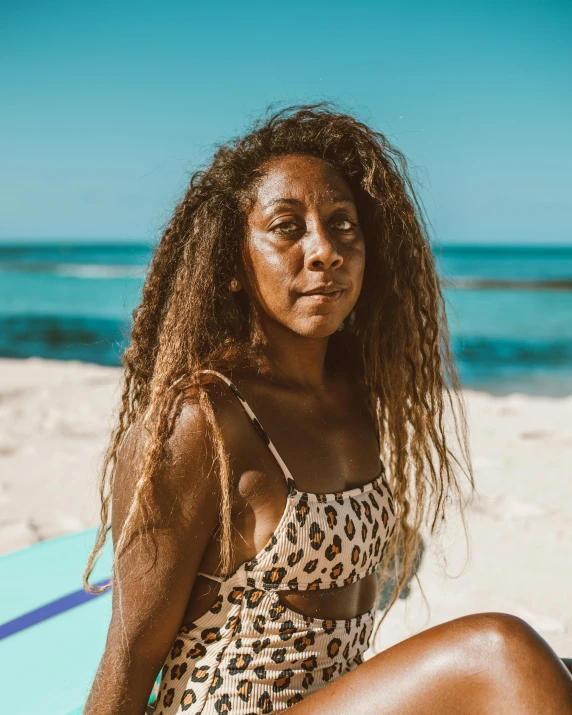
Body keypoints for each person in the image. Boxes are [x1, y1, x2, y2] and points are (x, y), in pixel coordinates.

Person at [83, 104, 572, 715]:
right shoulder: (202, 421)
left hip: (335, 697)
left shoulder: (356, 390)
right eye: (287, 227)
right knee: (502, 651)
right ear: (232, 264)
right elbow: (128, 658)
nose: (325, 251)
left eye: (343, 225)